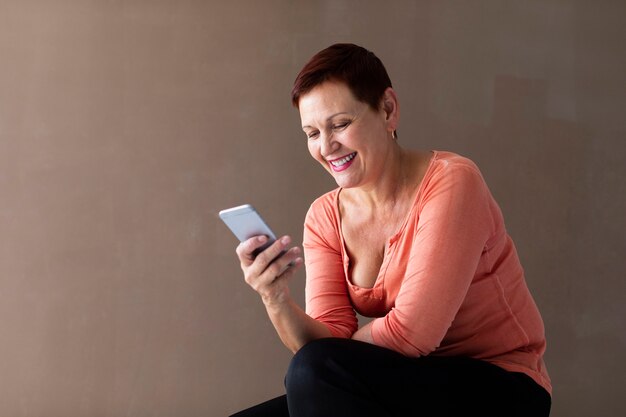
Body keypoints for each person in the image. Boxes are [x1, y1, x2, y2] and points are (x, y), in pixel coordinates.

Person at [229, 43, 551, 417]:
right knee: (308, 376)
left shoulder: (453, 182)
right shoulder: (324, 216)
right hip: (404, 379)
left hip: (500, 387)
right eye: (312, 133)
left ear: (388, 109)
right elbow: (326, 339)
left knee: (314, 372)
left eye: (340, 124)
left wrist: (336, 356)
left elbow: (411, 334)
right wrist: (275, 297)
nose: (327, 146)